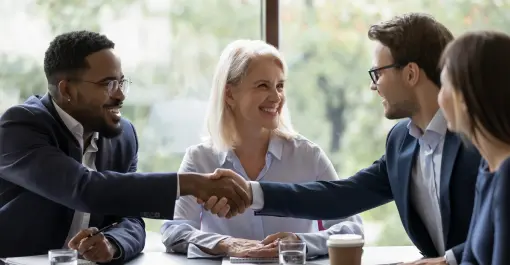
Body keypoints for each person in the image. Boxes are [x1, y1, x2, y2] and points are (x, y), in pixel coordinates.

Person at [205, 13, 482, 265]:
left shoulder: (483, 137)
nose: (373, 85)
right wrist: (250, 192)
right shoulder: (402, 142)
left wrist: (449, 261)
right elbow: (341, 196)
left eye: (378, 73)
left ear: (410, 73)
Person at [0, 30, 250, 262]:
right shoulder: (20, 127)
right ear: (67, 89)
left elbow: (131, 218)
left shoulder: (123, 135)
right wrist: (192, 183)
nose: (120, 94)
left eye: (121, 82)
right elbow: (85, 189)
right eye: (108, 84)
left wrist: (112, 244)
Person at [160, 39, 363, 259]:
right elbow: (175, 231)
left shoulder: (308, 156)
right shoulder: (200, 159)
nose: (276, 97)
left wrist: (299, 242)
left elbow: (351, 228)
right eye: (263, 85)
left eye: (280, 86)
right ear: (229, 94)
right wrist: (227, 244)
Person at [438, 30, 510, 265]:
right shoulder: (489, 165)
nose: (439, 98)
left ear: (467, 97)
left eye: (444, 85)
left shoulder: (507, 175)